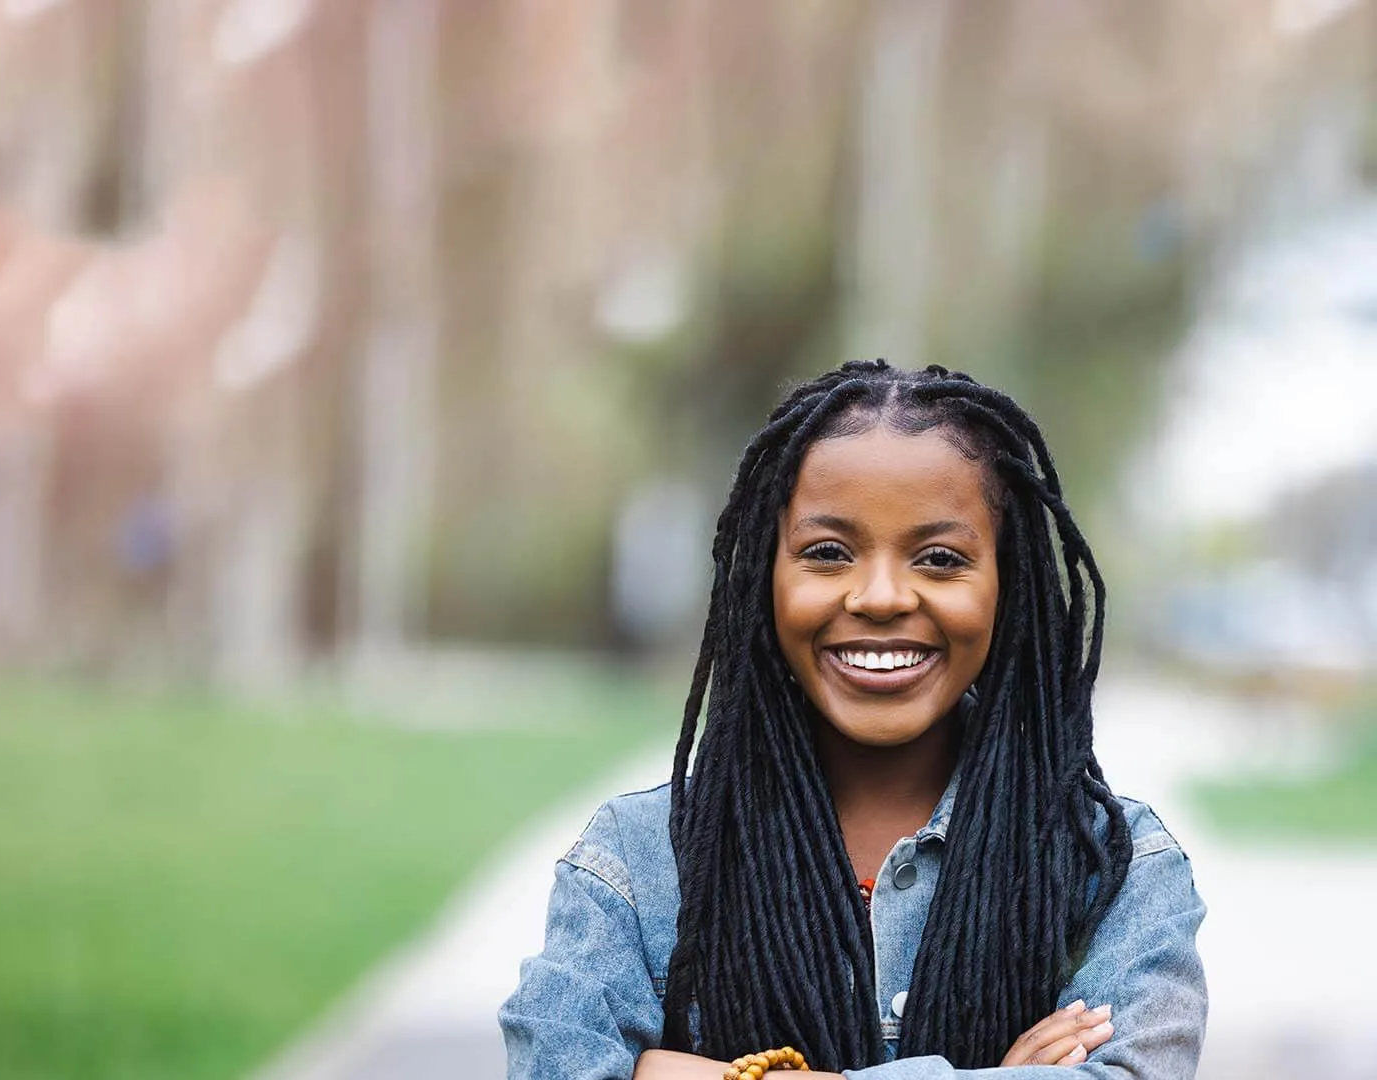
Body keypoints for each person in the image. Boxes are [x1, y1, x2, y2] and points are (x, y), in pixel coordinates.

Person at [500, 361, 1206, 1080]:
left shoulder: (1112, 868)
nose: (879, 596)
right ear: (763, 578)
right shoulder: (639, 863)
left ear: (1009, 587)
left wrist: (683, 1073)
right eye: (828, 553)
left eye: (939, 558)